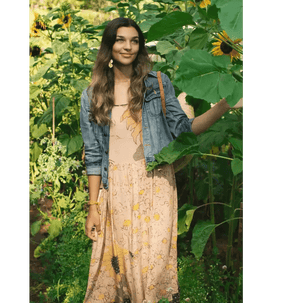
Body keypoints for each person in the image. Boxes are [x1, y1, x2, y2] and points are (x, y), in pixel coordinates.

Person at [80, 17, 242, 303]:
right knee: (119, 268)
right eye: (120, 40)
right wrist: (93, 207)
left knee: (152, 268)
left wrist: (223, 104)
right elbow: (93, 154)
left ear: (140, 46)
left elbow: (184, 129)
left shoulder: (157, 84)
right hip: (115, 188)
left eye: (134, 40)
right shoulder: (91, 95)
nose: (127, 46)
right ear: (109, 45)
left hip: (156, 184)